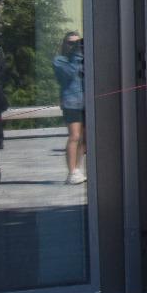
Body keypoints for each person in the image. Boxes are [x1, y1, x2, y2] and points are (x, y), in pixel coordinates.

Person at [53, 31, 86, 185]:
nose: (74, 46)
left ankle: (77, 169)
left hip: (86, 101)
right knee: (74, 136)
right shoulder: (59, 60)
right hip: (71, 102)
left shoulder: (83, 58)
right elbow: (70, 73)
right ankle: (71, 172)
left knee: (84, 138)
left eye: (77, 43)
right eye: (70, 43)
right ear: (64, 44)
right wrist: (77, 54)